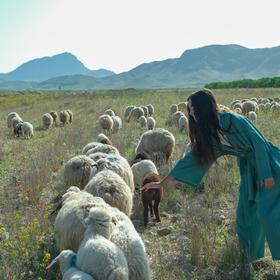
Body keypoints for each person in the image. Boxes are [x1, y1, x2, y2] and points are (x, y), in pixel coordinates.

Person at [141, 89, 280, 262]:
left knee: (269, 214)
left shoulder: (232, 120)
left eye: (192, 108)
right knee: (245, 214)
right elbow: (193, 159)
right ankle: (251, 259)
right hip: (248, 169)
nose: (190, 113)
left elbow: (259, 142)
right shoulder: (211, 134)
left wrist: (266, 173)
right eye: (189, 109)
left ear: (204, 107)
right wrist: (161, 183)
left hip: (269, 164)